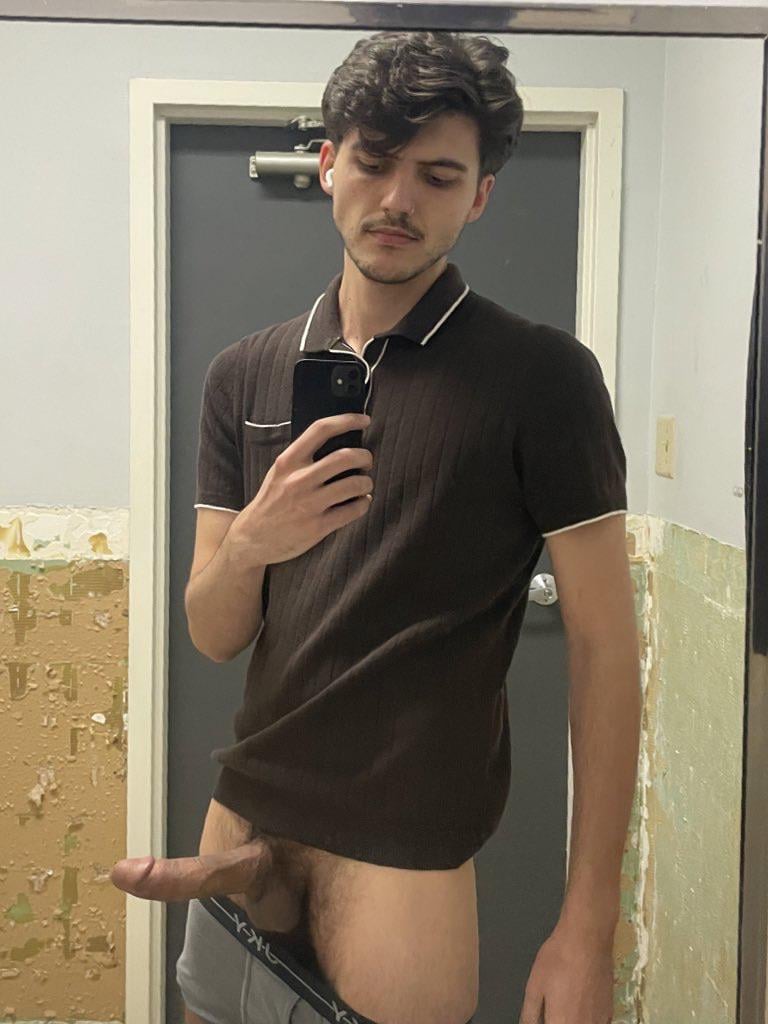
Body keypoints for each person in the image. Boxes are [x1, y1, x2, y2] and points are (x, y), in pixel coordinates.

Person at [110, 29, 641, 1024]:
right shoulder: (243, 374)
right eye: (374, 161)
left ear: (479, 196)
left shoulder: (543, 380)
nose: (398, 198)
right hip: (245, 811)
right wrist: (257, 540)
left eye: (438, 175)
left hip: (402, 844)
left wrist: (588, 926)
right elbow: (213, 632)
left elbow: (606, 649)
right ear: (328, 165)